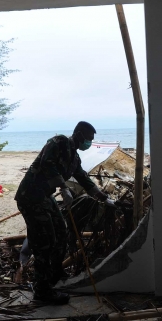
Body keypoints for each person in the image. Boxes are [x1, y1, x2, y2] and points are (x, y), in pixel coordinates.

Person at [14, 121, 111, 305]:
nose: (89, 143)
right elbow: (47, 163)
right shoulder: (59, 142)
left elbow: (84, 179)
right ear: (79, 134)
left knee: (61, 231)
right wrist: (63, 187)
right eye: (89, 139)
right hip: (31, 195)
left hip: (45, 196)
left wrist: (104, 198)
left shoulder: (74, 158)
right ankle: (42, 290)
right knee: (45, 240)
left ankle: (55, 272)